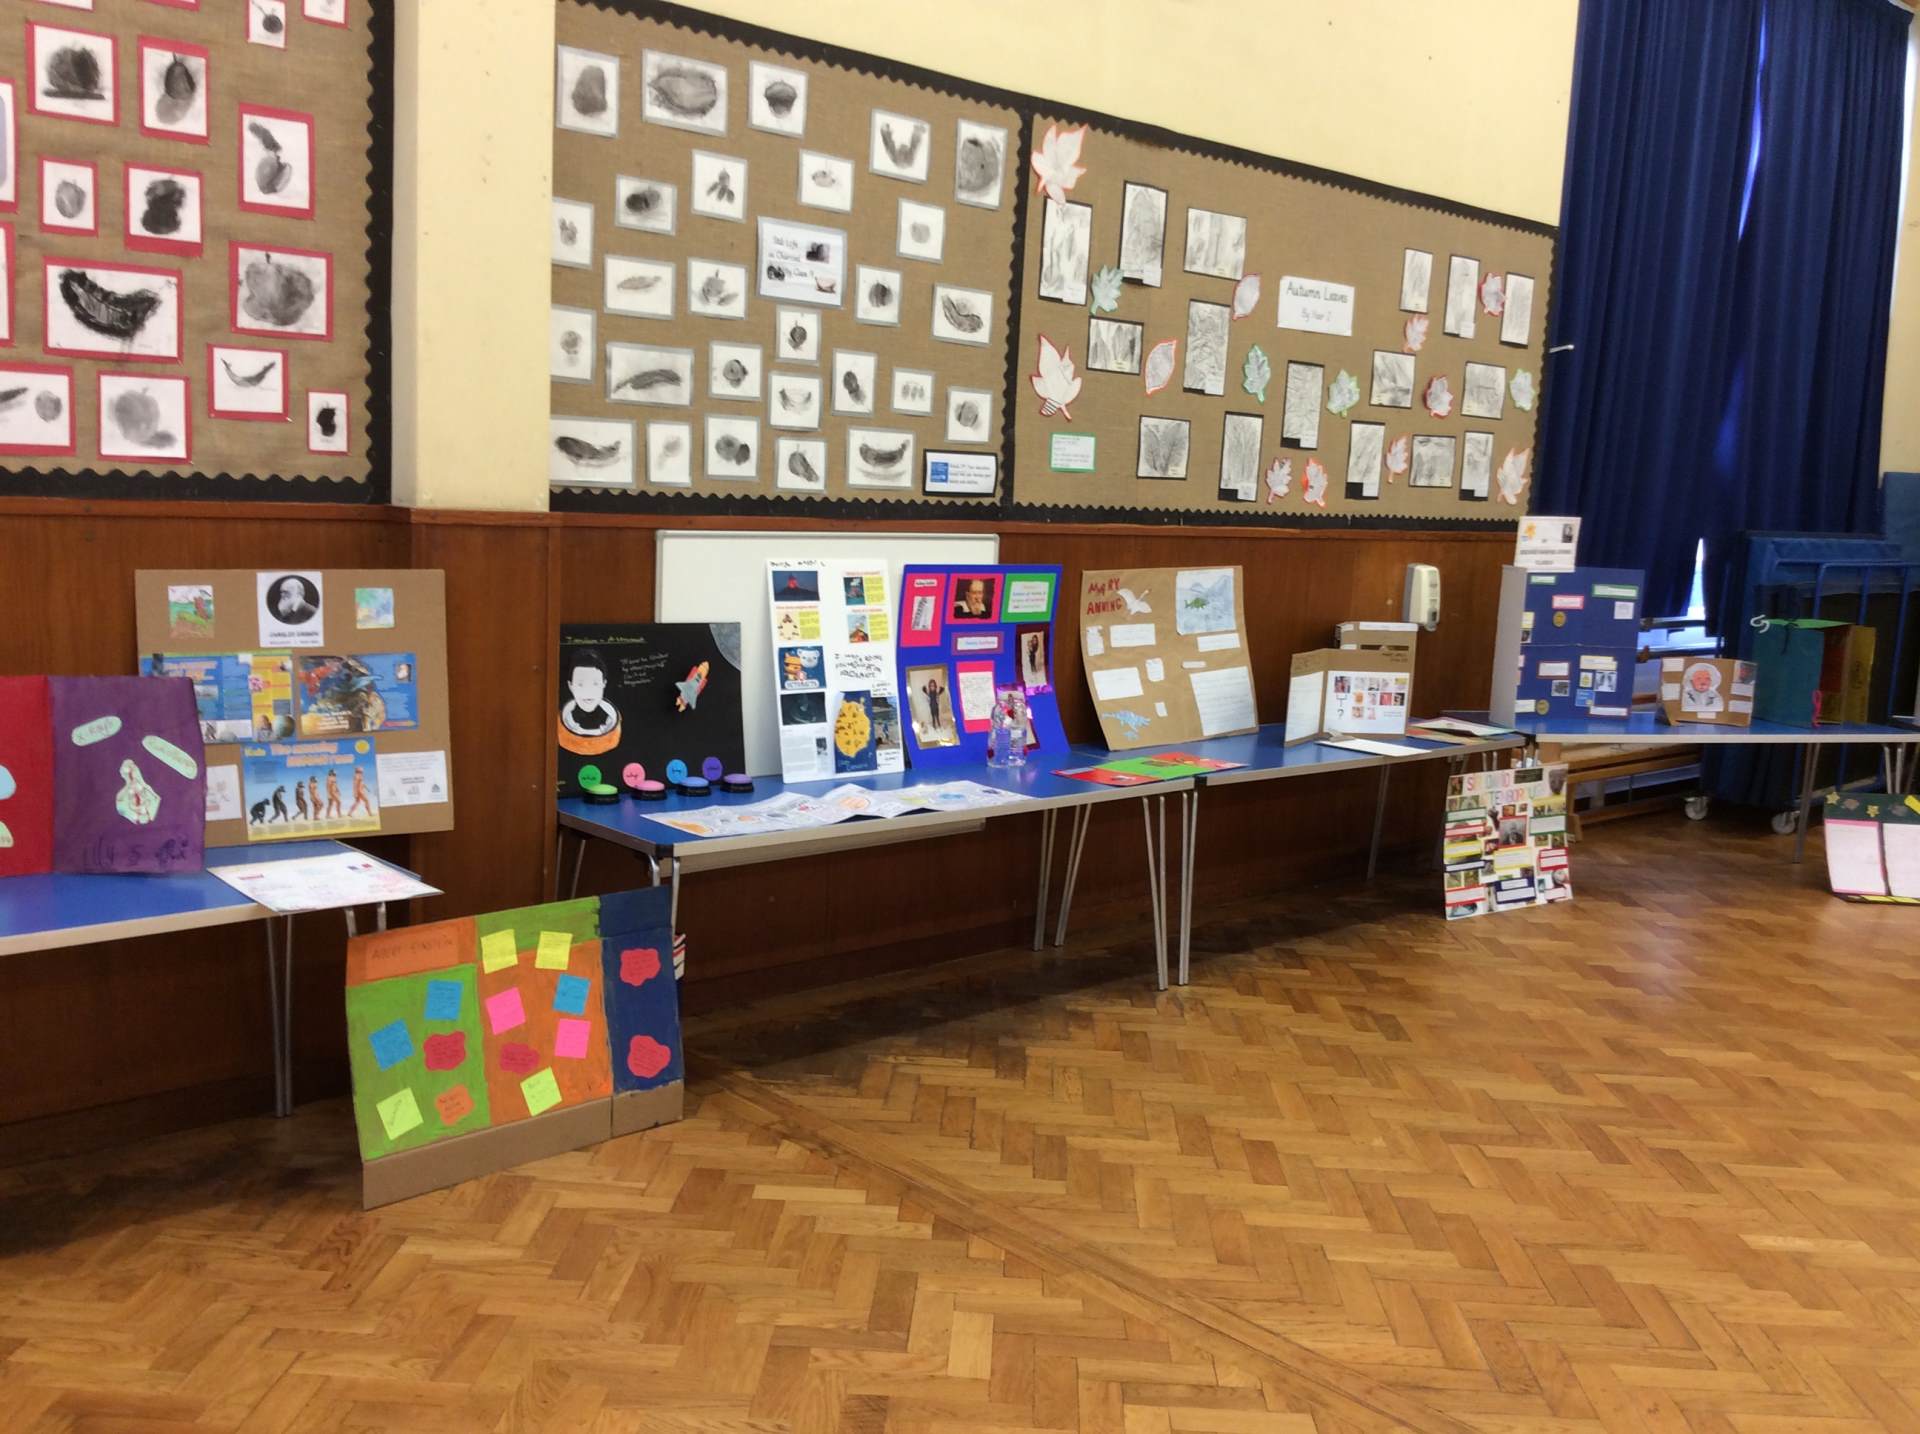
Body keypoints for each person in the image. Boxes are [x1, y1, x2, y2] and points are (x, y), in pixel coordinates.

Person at [558, 648, 621, 754]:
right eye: (580, 684)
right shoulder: (563, 721)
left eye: (595, 684)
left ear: (604, 684)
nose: (588, 691)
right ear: (571, 686)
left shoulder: (612, 720)